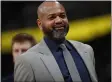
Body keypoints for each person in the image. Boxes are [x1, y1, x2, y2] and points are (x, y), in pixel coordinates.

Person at [14, 1, 98, 82]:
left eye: (62, 16)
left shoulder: (86, 50)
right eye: (52, 17)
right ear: (40, 24)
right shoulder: (26, 61)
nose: (59, 20)